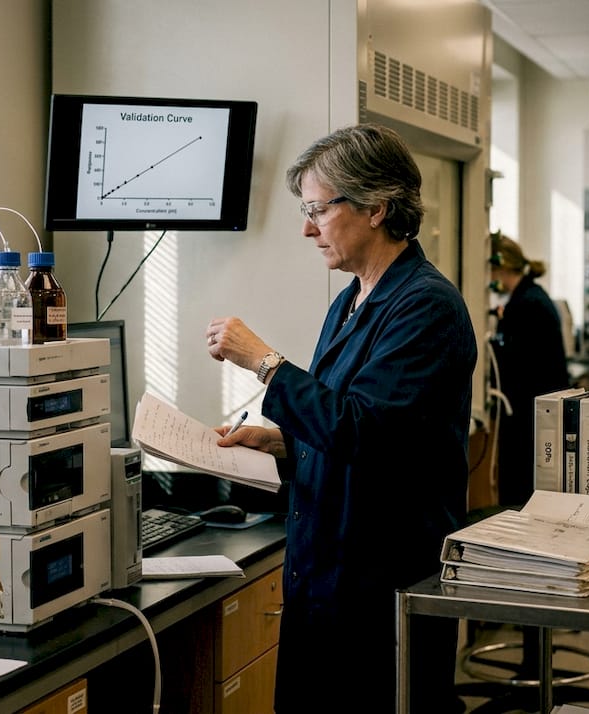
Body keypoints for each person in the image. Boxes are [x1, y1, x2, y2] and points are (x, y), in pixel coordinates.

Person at [204, 124, 476, 712]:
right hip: (325, 574)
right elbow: (345, 419)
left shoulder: (427, 306)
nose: (307, 229)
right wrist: (281, 441)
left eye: (317, 210)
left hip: (380, 584)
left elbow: (364, 432)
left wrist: (265, 362)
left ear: (376, 206)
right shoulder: (353, 297)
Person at [488, 232, 569, 507]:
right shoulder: (530, 296)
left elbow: (513, 362)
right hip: (535, 407)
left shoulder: (526, 304)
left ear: (500, 267)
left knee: (519, 494)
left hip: (528, 414)